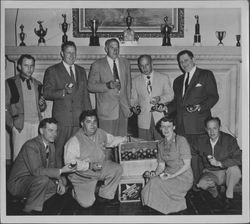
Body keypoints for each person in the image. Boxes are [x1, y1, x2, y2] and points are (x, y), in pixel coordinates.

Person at [166, 49, 219, 185]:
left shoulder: (205, 75)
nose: (184, 64)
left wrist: (200, 106)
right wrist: (165, 108)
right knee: (187, 158)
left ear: (193, 59)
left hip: (199, 124)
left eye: (186, 60)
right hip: (182, 127)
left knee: (202, 157)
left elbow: (214, 96)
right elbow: (177, 104)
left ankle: (206, 184)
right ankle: (190, 185)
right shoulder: (178, 81)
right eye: (181, 62)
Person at [7, 118, 76, 215]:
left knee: (62, 182)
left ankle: (30, 199)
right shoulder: (31, 145)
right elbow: (36, 171)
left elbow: (51, 168)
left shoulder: (51, 145)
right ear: (41, 131)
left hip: (35, 180)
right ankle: (29, 211)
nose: (54, 134)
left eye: (56, 131)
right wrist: (61, 170)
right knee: (43, 180)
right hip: (18, 183)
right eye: (50, 130)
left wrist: (59, 181)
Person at [64, 109, 128, 208]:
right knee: (87, 204)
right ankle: (74, 191)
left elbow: (112, 140)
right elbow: (69, 163)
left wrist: (126, 139)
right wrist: (89, 165)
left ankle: (105, 195)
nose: (92, 125)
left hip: (99, 168)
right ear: (82, 124)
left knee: (117, 168)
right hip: (82, 177)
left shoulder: (100, 133)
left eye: (94, 121)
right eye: (88, 122)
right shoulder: (74, 141)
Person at [43, 41, 92, 167]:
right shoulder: (52, 70)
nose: (71, 55)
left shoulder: (81, 71)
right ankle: (59, 182)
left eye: (74, 52)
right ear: (62, 54)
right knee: (59, 152)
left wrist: (89, 117)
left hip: (78, 119)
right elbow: (47, 93)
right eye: (68, 52)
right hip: (62, 120)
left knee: (77, 152)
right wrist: (62, 92)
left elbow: (85, 96)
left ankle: (74, 182)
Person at [141, 117, 193, 214]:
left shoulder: (181, 140)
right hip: (168, 173)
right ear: (160, 129)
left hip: (184, 176)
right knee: (152, 182)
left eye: (168, 126)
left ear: (174, 127)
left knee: (158, 183)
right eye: (163, 127)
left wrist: (172, 176)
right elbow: (161, 165)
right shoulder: (160, 144)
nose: (166, 129)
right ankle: (157, 209)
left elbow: (187, 165)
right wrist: (154, 174)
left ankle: (176, 206)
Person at [6, 54, 47, 161]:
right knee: (19, 158)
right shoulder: (10, 83)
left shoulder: (38, 84)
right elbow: (4, 106)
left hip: (37, 126)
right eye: (26, 65)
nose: (29, 69)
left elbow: (42, 107)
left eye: (31, 66)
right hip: (20, 126)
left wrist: (42, 104)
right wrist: (12, 125)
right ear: (19, 66)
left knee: (35, 157)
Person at [88, 38, 131, 136]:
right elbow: (90, 86)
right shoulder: (97, 64)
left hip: (123, 110)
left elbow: (128, 86)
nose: (115, 50)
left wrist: (129, 105)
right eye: (112, 48)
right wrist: (107, 85)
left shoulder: (125, 63)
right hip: (106, 112)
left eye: (117, 48)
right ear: (106, 49)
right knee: (107, 143)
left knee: (121, 143)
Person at [195, 117, 242, 209]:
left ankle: (229, 197)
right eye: (209, 129)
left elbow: (239, 158)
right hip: (210, 172)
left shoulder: (229, 140)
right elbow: (190, 152)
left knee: (234, 170)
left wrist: (220, 163)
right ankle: (216, 195)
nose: (212, 132)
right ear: (205, 129)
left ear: (219, 127)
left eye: (215, 128)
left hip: (225, 172)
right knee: (202, 184)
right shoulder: (200, 140)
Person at [130, 54, 174, 141]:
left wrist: (160, 99)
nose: (144, 68)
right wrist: (135, 107)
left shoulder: (163, 77)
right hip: (143, 120)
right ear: (139, 67)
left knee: (163, 145)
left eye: (147, 65)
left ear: (152, 64)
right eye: (142, 66)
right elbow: (133, 99)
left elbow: (170, 95)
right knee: (145, 147)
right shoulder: (135, 81)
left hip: (160, 118)